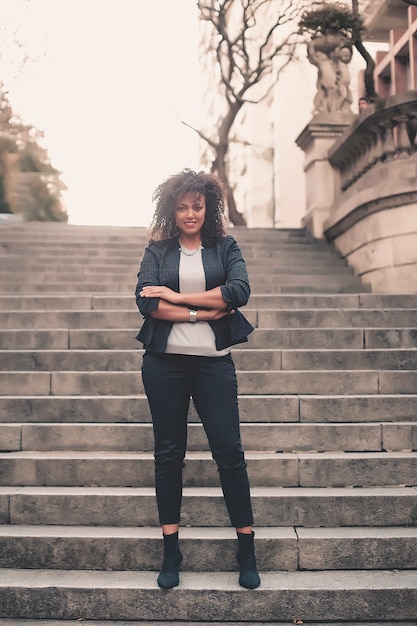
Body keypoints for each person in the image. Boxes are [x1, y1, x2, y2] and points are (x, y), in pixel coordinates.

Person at [135, 169, 260, 591]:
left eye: (198, 206)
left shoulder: (225, 246)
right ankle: (171, 550)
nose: (190, 213)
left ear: (210, 207)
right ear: (172, 209)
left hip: (213, 364)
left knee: (230, 453)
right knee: (169, 455)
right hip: (164, 364)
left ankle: (247, 548)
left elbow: (238, 291)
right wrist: (202, 311)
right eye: (183, 206)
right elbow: (146, 303)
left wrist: (175, 296)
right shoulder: (158, 250)